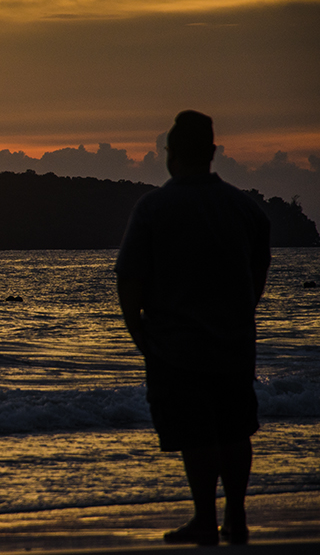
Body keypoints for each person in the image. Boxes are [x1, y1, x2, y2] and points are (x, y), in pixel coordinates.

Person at [115, 110, 270, 546]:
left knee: (197, 431)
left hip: (177, 344)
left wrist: (137, 330)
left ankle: (206, 517)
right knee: (236, 429)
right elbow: (258, 265)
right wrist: (245, 308)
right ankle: (235, 517)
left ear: (171, 155)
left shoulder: (154, 208)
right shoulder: (244, 207)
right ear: (212, 153)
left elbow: (130, 277)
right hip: (234, 340)